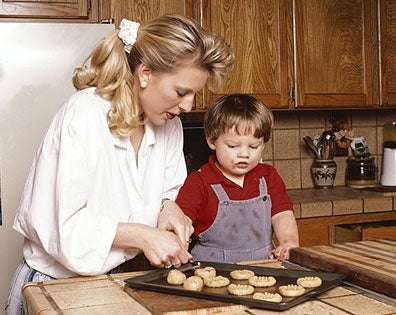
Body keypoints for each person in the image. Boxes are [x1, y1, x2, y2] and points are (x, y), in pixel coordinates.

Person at [5, 14, 234, 314]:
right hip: (53, 287)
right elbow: (67, 227)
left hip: (114, 285)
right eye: (181, 92)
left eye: (194, 94)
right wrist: (144, 235)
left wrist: (170, 206)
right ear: (145, 73)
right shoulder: (84, 115)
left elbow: (167, 189)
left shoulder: (168, 125)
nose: (189, 105)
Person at [175, 94, 299, 263]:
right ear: (212, 141)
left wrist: (289, 243)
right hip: (210, 271)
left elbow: (282, 214)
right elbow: (181, 222)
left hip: (264, 268)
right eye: (233, 146)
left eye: (254, 146)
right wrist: (177, 247)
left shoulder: (268, 176)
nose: (244, 154)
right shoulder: (199, 182)